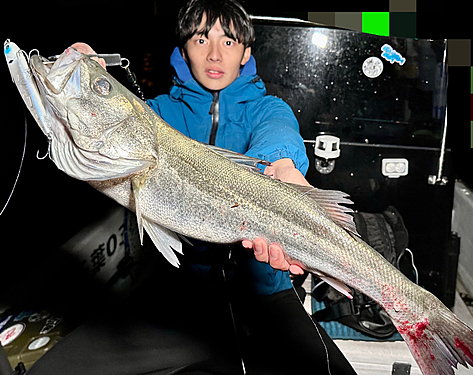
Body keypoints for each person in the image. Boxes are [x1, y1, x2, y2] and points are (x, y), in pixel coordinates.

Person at [27, 1, 358, 374]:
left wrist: (279, 166)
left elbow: (278, 137)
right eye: (201, 39)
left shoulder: (268, 109)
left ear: (247, 52)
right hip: (183, 298)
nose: (215, 54)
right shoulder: (156, 114)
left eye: (229, 42)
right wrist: (80, 68)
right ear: (183, 48)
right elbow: (81, 124)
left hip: (267, 295)